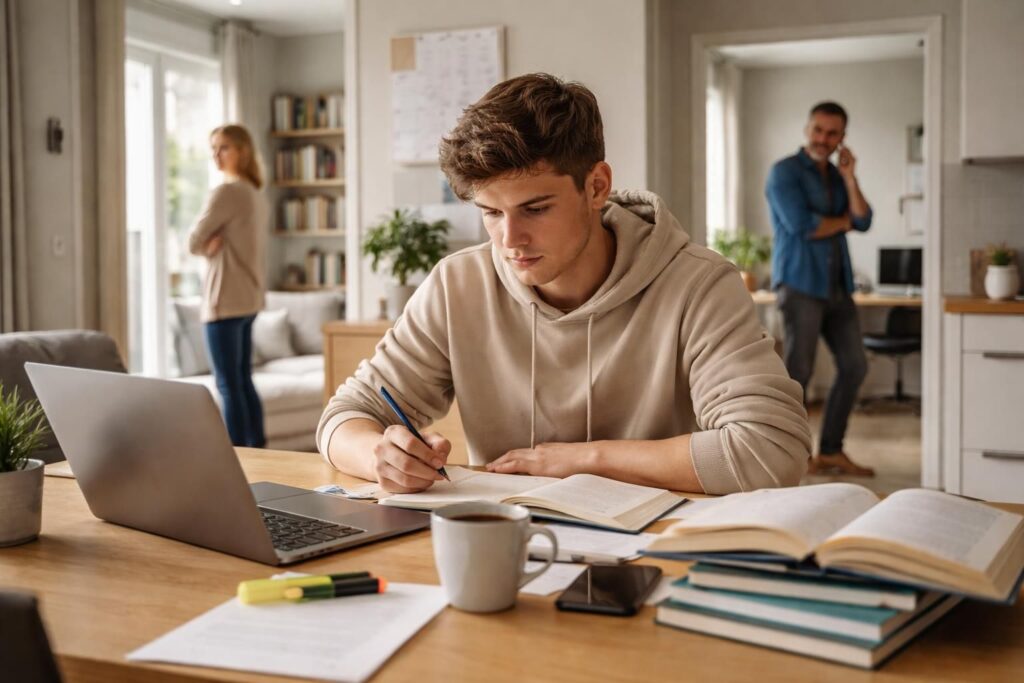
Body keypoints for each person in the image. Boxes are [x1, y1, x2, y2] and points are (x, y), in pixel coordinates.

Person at [318, 73, 811, 494]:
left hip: (656, 554)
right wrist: (379, 456)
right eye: (491, 212)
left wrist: (583, 461)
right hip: (510, 550)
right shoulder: (457, 284)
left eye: (535, 208)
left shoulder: (699, 284)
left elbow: (773, 449)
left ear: (596, 186)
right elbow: (346, 416)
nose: (510, 240)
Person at [765, 101, 874, 477]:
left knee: (855, 366)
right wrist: (844, 222)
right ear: (807, 129)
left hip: (838, 287)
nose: (824, 139)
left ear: (842, 138)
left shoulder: (836, 174)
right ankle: (790, 454)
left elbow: (864, 219)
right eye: (818, 130)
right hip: (799, 284)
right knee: (798, 372)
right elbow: (802, 226)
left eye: (833, 133)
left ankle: (830, 450)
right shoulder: (784, 172)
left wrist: (849, 177)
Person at [188, 124, 268, 448]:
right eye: (213, 148)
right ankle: (258, 449)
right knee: (243, 382)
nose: (215, 155)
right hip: (248, 299)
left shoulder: (227, 192)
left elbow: (193, 241)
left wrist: (206, 247)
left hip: (225, 299)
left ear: (242, 151)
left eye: (223, 147)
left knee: (228, 385)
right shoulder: (255, 194)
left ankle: (238, 456)